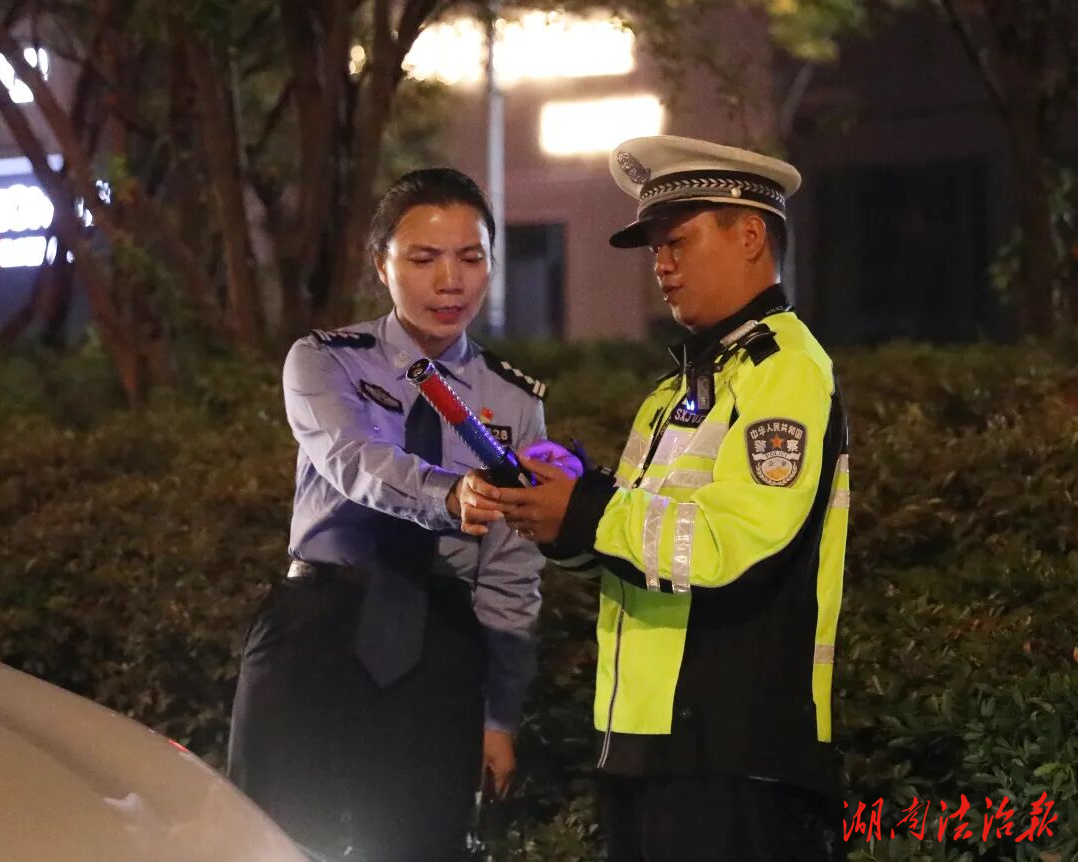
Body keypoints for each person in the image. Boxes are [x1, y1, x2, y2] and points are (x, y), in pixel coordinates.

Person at [459, 136, 851, 862]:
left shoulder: (785, 368)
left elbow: (737, 545)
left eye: (678, 241)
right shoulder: (679, 389)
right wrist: (562, 506)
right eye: (654, 250)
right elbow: (641, 548)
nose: (661, 265)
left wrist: (589, 509)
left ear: (751, 236)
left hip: (731, 754)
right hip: (650, 746)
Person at [228, 168, 547, 861]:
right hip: (318, 626)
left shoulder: (515, 402)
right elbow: (353, 458)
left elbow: (511, 570)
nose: (451, 282)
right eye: (424, 259)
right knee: (274, 840)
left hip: (441, 641)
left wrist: (499, 714)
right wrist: (448, 494)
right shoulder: (326, 362)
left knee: (418, 846)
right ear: (382, 264)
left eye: (471, 258)